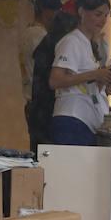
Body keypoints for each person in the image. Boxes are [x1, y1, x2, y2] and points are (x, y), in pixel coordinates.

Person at [48, 0, 111, 147]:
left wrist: (105, 82)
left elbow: (87, 82)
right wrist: (95, 74)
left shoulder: (90, 44)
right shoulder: (72, 41)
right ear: (81, 12)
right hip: (72, 119)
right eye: (98, 14)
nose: (103, 20)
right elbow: (55, 80)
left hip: (88, 120)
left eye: (106, 15)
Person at [26, 11, 79, 151]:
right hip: (49, 110)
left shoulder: (45, 44)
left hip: (37, 107)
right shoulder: (58, 48)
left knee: (40, 154)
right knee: (50, 155)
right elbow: (55, 82)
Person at [20, 0, 62, 108]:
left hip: (32, 99)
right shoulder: (40, 35)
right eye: (57, 12)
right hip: (41, 101)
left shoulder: (28, 31)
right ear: (47, 12)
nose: (58, 18)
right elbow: (50, 69)